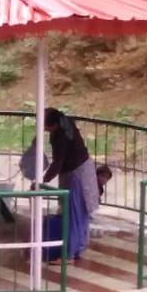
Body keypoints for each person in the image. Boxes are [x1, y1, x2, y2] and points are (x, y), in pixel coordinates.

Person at [33, 108, 100, 263]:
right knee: (79, 212)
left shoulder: (61, 136)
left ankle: (68, 254)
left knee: (72, 214)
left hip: (76, 174)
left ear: (52, 124)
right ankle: (78, 247)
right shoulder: (65, 124)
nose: (42, 128)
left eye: (44, 125)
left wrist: (42, 181)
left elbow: (58, 162)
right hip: (81, 170)